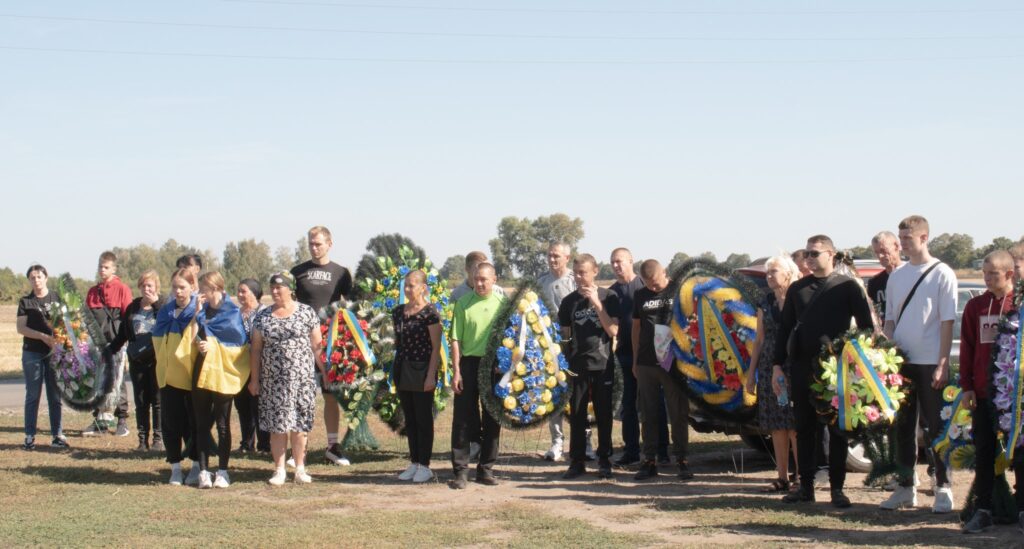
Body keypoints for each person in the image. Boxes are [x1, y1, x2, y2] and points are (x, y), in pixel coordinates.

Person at [773, 235, 875, 508]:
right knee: (804, 430)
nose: (809, 257)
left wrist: (860, 364)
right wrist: (776, 366)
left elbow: (866, 329)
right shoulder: (797, 289)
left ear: (831, 254)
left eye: (815, 253)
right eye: (807, 253)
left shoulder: (848, 287)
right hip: (802, 367)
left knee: (838, 430)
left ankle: (837, 490)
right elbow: (784, 329)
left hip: (837, 371)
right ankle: (806, 487)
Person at [880, 215, 958, 513]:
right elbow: (889, 320)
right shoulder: (897, 276)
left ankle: (943, 487)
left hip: (929, 361)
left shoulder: (943, 273)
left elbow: (947, 321)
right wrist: (883, 357)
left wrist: (942, 362)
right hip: (901, 362)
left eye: (908, 239)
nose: (903, 244)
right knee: (902, 427)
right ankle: (905, 487)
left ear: (924, 238)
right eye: (901, 239)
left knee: (936, 427)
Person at [958, 250, 1024, 534]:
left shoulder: (1019, 305)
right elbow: (967, 346)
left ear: (1009, 274)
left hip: (1015, 395)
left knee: (1020, 453)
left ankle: (1021, 508)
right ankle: (983, 508)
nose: (986, 279)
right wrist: (967, 386)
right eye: (984, 273)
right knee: (984, 451)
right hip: (983, 393)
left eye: (993, 274)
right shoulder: (976, 306)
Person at [249, 271, 324, 486]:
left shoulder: (306, 313)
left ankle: (300, 468)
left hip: (302, 381)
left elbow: (316, 346)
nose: (275, 291)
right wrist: (255, 380)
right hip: (273, 382)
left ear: (291, 289)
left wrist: (326, 372)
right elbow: (255, 350)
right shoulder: (262, 316)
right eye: (272, 287)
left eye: (279, 287)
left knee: (300, 425)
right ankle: (279, 469)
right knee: (277, 426)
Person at [291, 225, 353, 467]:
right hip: (300, 342)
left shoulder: (341, 273)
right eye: (311, 243)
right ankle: (298, 449)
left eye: (318, 243)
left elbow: (350, 307)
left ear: (330, 244)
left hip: (328, 342)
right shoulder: (297, 272)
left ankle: (332, 446)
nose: (314, 247)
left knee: (330, 394)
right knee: (299, 395)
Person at [559, 254, 619, 480]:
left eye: (583, 272)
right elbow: (564, 335)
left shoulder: (609, 296)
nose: (579, 277)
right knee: (577, 414)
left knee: (604, 414)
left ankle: (604, 460)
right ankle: (577, 461)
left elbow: (613, 331)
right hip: (577, 365)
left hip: (602, 363)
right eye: (575, 273)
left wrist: (596, 302)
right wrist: (564, 362)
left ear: (595, 271)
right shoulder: (568, 302)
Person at [632, 259, 693, 481]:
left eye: (656, 284)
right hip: (647, 362)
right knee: (648, 413)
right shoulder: (640, 295)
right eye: (649, 284)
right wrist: (635, 359)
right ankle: (649, 460)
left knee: (678, 412)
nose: (654, 288)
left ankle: (682, 460)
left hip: (673, 362)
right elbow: (636, 328)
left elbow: (692, 321)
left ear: (664, 273)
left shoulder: (678, 290)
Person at [609, 248, 670, 467]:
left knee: (655, 405)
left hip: (651, 358)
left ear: (631, 262)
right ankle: (631, 450)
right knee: (628, 406)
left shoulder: (643, 287)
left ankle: (661, 450)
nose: (616, 266)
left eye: (620, 261)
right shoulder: (612, 292)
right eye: (613, 262)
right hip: (625, 356)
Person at [744, 254, 800, 492]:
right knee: (777, 425)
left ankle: (801, 476)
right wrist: (751, 373)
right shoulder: (765, 301)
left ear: (787, 273)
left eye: (773, 272)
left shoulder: (798, 299)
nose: (768, 277)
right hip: (769, 366)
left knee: (796, 424)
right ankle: (782, 476)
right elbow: (759, 339)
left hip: (793, 364)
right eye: (767, 273)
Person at [449, 263, 506, 489]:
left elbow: (512, 337)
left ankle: (486, 469)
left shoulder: (504, 305)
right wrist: (456, 370)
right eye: (476, 279)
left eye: (484, 279)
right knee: (462, 418)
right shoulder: (463, 304)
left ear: (494, 279)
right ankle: (461, 471)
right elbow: (455, 339)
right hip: (469, 364)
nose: (480, 283)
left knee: (492, 418)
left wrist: (505, 364)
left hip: (494, 366)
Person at [192, 272, 250, 489]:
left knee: (222, 424)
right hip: (201, 372)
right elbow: (192, 337)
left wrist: (213, 347)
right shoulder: (200, 312)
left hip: (223, 374)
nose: (200, 293)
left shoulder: (232, 313)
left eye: (203, 289)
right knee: (201, 424)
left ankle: (223, 471)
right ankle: (204, 471)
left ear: (214, 288)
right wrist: (196, 316)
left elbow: (240, 348)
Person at [392, 270, 442, 483]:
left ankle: (425, 464)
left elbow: (436, 347)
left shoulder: (430, 313)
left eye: (412, 285)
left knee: (423, 419)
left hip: (422, 370)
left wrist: (431, 375)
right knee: (409, 419)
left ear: (423, 287)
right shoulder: (398, 312)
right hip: (403, 368)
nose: (408, 289)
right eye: (406, 285)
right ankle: (414, 462)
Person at [153, 268, 201, 486]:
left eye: (182, 287)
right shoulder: (165, 312)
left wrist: (196, 317)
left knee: (194, 423)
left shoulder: (199, 310)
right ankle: (174, 467)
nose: (178, 292)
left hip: (192, 378)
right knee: (171, 423)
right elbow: (158, 342)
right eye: (175, 287)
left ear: (193, 286)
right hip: (169, 377)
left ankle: (196, 465)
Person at [108, 270, 165, 452]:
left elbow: (167, 322)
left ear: (156, 287)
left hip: (156, 360)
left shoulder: (163, 306)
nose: (146, 289)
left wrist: (155, 303)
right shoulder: (133, 307)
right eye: (143, 285)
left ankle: (158, 439)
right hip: (136, 360)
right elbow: (123, 334)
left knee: (157, 401)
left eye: (150, 285)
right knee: (141, 402)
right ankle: (142, 441)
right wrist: (109, 351)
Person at [537, 242, 582, 462]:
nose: (552, 259)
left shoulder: (576, 280)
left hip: (576, 346)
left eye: (557, 256)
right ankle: (557, 442)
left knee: (581, 395)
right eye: (549, 255)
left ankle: (585, 440)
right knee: (554, 396)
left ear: (567, 257)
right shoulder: (541, 282)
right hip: (550, 350)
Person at [16, 264, 67, 450]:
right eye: (32, 278)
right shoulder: (25, 302)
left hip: (54, 353)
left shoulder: (56, 298)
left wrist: (62, 340)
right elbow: (21, 328)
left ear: (46, 277)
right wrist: (43, 337)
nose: (36, 280)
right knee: (32, 395)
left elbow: (66, 322)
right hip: (32, 352)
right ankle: (29, 436)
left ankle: (57, 435)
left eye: (39, 276)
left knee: (55, 395)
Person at [83, 251, 133, 437]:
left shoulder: (122, 289)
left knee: (117, 381)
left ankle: (122, 420)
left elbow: (128, 318)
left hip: (117, 343)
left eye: (106, 267)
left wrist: (123, 340)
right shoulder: (92, 292)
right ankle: (100, 420)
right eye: (100, 267)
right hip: (98, 344)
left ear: (114, 268)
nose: (102, 270)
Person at [235, 278, 269, 453]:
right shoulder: (235, 313)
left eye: (244, 291)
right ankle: (247, 444)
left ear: (254, 292)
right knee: (242, 406)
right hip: (239, 366)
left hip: (260, 366)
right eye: (238, 291)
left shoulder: (265, 312)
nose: (240, 295)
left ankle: (265, 444)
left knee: (259, 406)